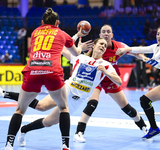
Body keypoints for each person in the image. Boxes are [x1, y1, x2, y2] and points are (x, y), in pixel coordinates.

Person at [1, 25, 148, 145]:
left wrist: (106, 72)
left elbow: (119, 81)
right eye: (100, 44)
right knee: (40, 106)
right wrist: (77, 36)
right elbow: (64, 48)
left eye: (104, 45)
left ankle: (25, 129)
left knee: (48, 122)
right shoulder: (80, 58)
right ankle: (5, 94)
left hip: (77, 100)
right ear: (94, 46)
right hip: (66, 90)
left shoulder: (106, 64)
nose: (103, 47)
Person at [3, 8, 86, 150]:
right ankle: (65, 144)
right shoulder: (62, 33)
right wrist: (80, 45)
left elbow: (54, 40)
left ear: (42, 22)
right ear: (58, 22)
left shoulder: (35, 31)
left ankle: (9, 144)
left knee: (19, 110)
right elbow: (75, 53)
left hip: (33, 70)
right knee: (63, 108)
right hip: (52, 71)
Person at [73, 24, 148, 143]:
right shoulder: (95, 48)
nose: (106, 33)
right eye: (103, 31)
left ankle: (143, 126)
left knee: (125, 107)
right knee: (92, 103)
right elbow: (79, 56)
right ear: (100, 35)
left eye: (108, 31)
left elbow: (133, 51)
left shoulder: (119, 46)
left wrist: (144, 58)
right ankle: (79, 132)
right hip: (96, 78)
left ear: (112, 35)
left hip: (111, 78)